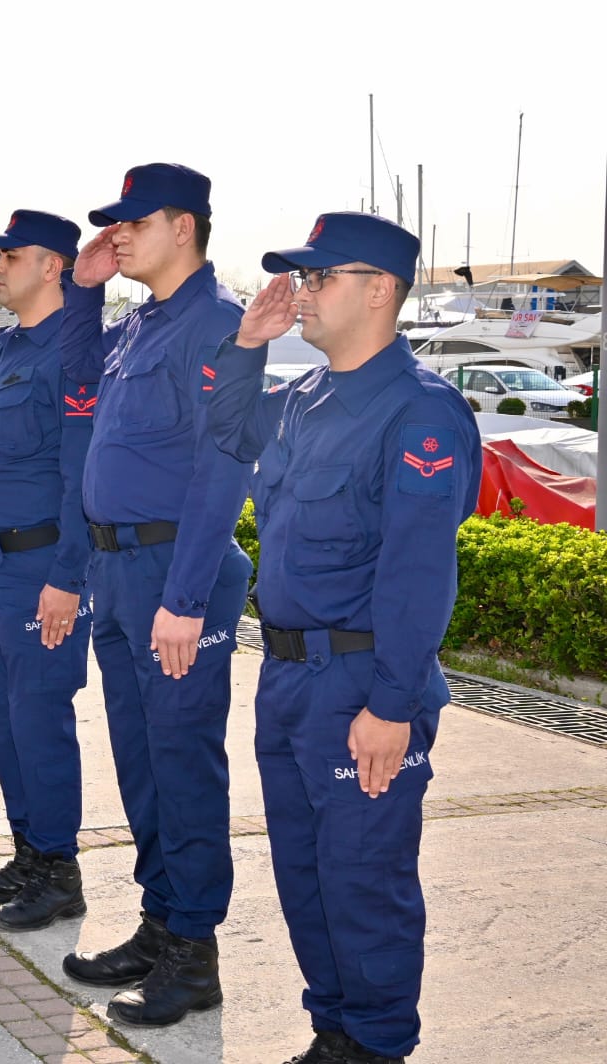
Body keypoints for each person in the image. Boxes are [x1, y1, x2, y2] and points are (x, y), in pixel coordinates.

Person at [209, 213, 478, 1064]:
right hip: (288, 680)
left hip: (361, 685)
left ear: (379, 291)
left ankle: (378, 1044)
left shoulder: (419, 414)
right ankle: (338, 1034)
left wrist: (391, 705)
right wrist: (248, 345)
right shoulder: (302, 399)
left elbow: (416, 576)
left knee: (364, 883)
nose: (305, 292)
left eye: (323, 278)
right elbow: (226, 433)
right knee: (304, 874)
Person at [61, 163, 252, 1028]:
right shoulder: (139, 325)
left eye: (133, 222)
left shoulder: (217, 326)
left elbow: (223, 472)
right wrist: (84, 293)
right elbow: (70, 386)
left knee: (183, 762)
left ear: (185, 227)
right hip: (119, 573)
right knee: (141, 760)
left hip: (178, 576)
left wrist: (183, 595)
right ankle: (160, 920)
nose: (118, 234)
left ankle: (195, 954)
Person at [0, 211, 105, 932]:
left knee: (40, 719)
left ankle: (59, 868)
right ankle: (29, 851)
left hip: (41, 565)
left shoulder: (69, 355)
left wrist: (68, 576)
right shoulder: (6, 347)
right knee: (5, 720)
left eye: (11, 256)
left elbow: (80, 478)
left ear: (52, 267)